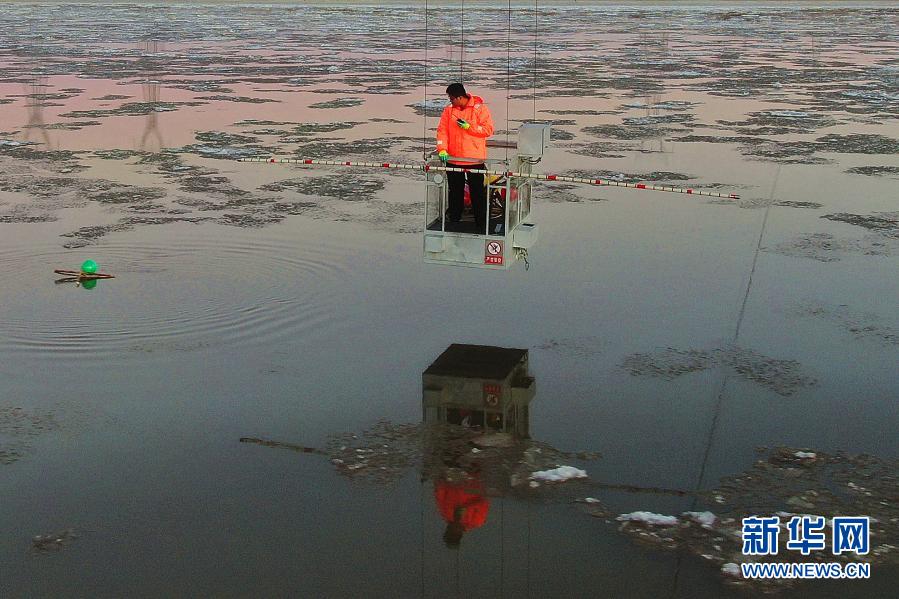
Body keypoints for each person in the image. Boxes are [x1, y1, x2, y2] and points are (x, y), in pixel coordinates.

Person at [436, 83, 495, 231]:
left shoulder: (480, 109)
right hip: (453, 159)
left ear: (460, 97)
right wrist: (442, 149)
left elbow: (488, 130)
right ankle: (454, 221)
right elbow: (442, 131)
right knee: (455, 192)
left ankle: (481, 223)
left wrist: (469, 127)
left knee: (477, 193)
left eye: (451, 99)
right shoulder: (448, 111)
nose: (450, 102)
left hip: (474, 159)